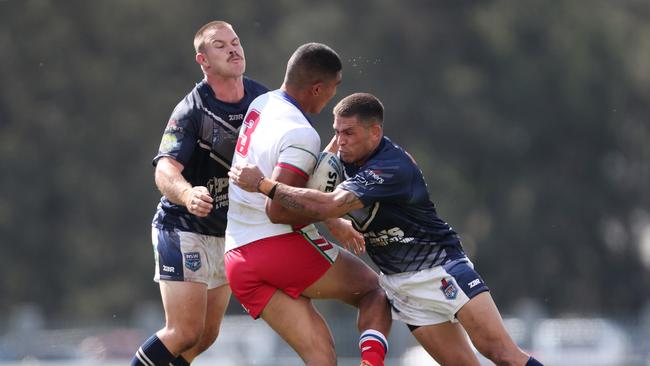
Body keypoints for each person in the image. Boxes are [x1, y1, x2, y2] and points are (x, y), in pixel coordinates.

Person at [229, 92, 544, 366]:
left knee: (502, 354)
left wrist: (262, 184)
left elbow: (326, 203)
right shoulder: (340, 154)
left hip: (441, 270)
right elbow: (316, 198)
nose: (340, 141)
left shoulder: (390, 167)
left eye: (349, 133)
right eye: (337, 132)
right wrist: (334, 223)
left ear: (375, 132)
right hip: (402, 287)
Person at [225, 43, 391, 366]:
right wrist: (332, 212)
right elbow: (279, 210)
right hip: (275, 247)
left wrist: (329, 221)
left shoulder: (262, 103)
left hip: (237, 258)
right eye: (334, 88)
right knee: (376, 292)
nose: (333, 97)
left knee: (321, 356)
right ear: (317, 88)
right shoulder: (302, 134)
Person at [130, 21, 269, 366]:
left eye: (236, 42)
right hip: (182, 227)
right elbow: (164, 169)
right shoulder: (192, 111)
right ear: (202, 60)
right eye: (220, 45)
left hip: (226, 232)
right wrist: (188, 193)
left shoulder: (263, 101)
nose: (234, 49)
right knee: (184, 331)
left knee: (206, 336)